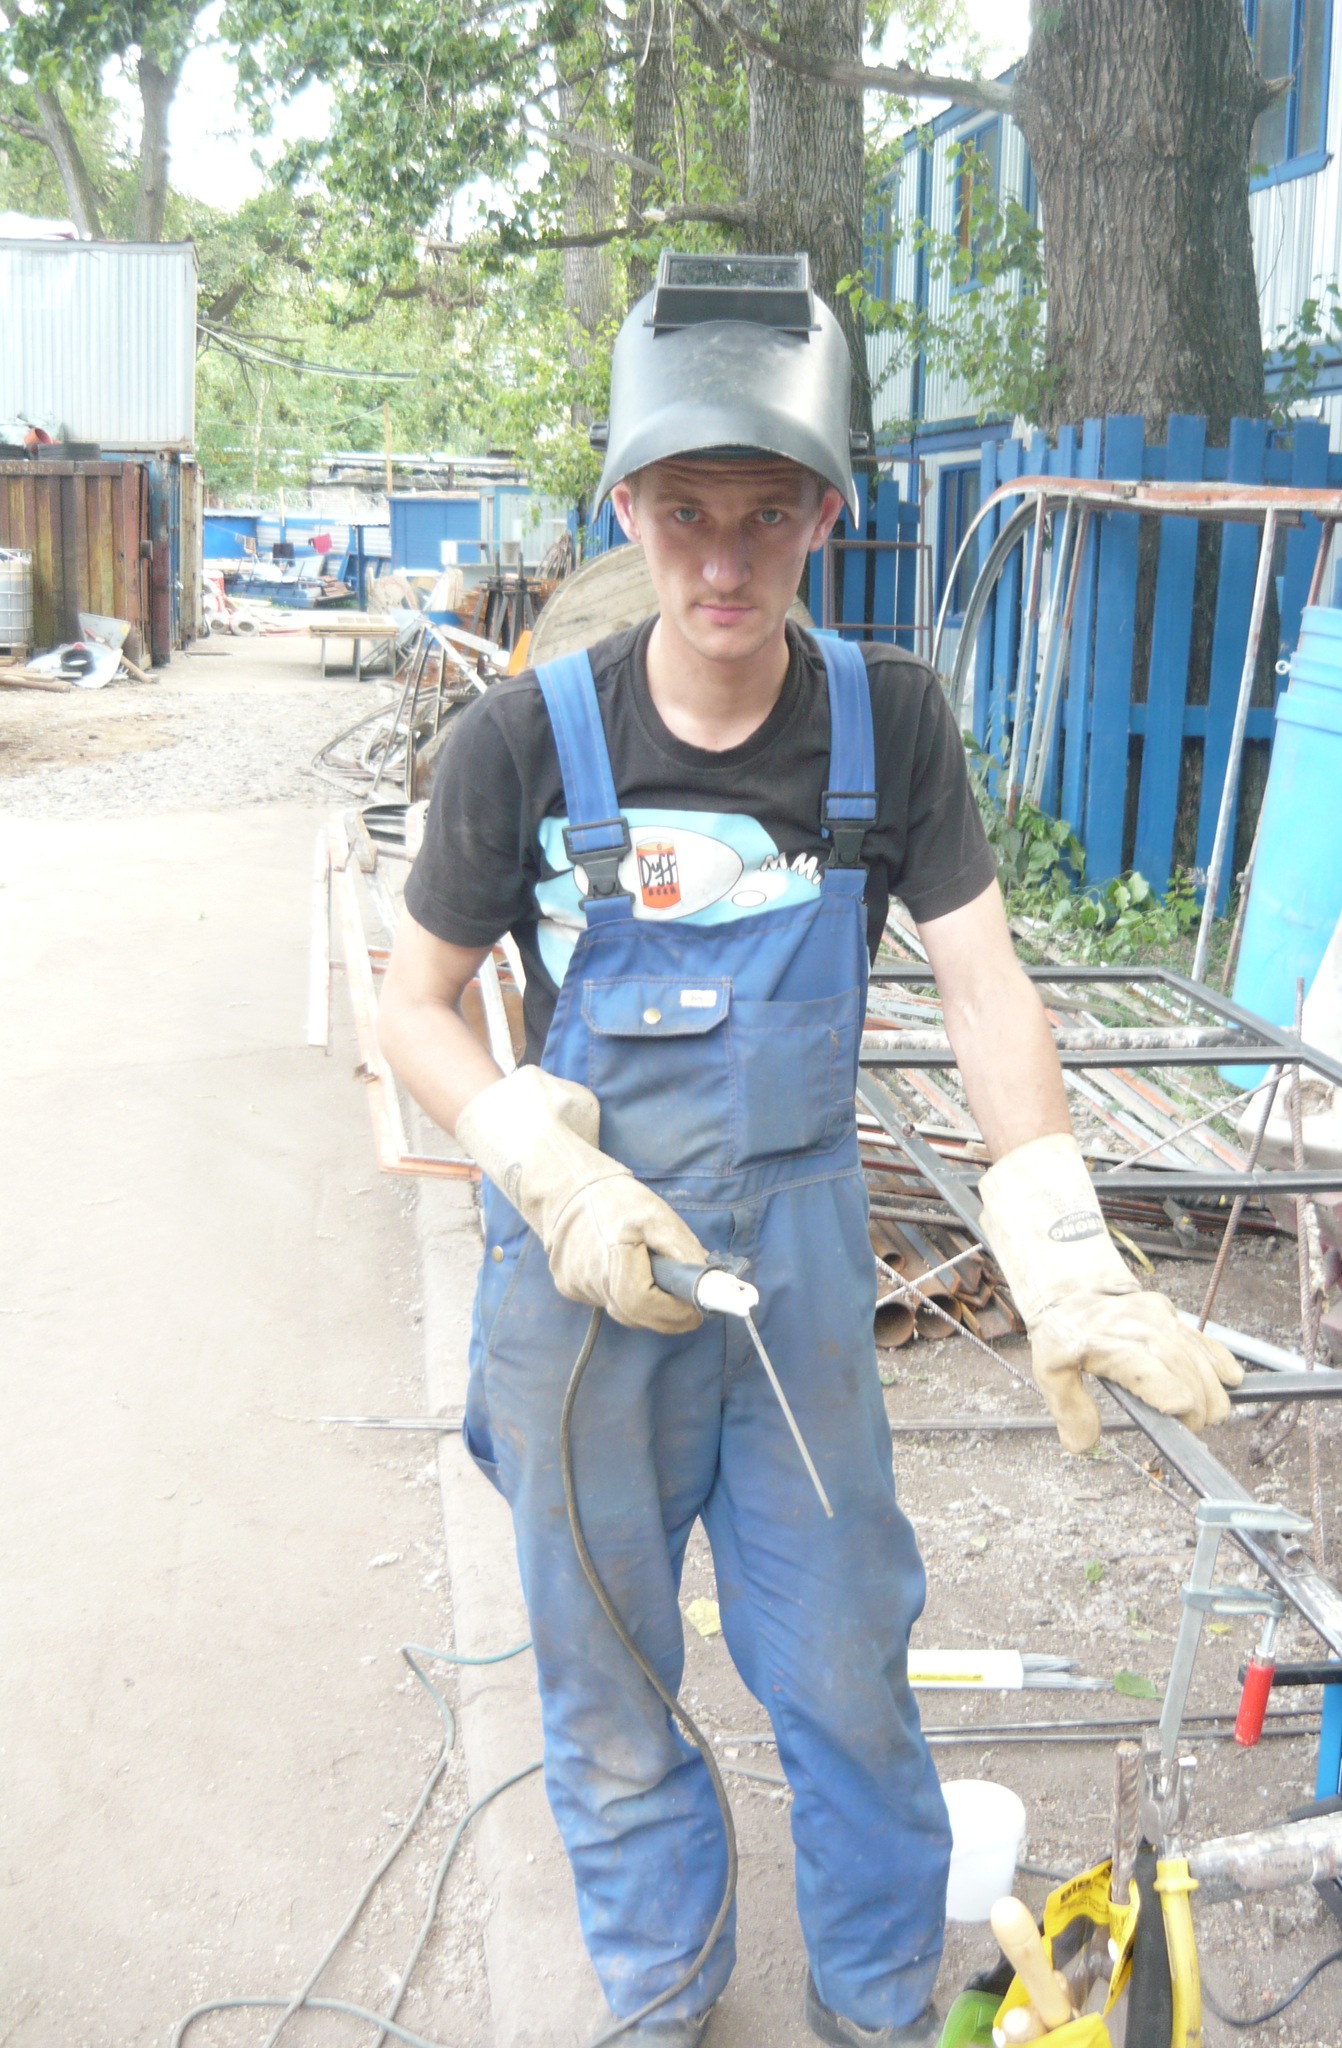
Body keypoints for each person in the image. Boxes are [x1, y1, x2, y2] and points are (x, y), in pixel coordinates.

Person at [378, 251, 1240, 2048]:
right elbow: (417, 1004)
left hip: (797, 1279)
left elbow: (986, 986)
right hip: (586, 1285)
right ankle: (659, 1990)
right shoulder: (523, 742)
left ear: (826, 513)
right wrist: (534, 1155)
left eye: (767, 514)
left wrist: (1057, 1232)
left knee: (847, 1663)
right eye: (686, 512)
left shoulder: (887, 721)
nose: (723, 561)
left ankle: (869, 2001)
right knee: (607, 1678)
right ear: (626, 506)